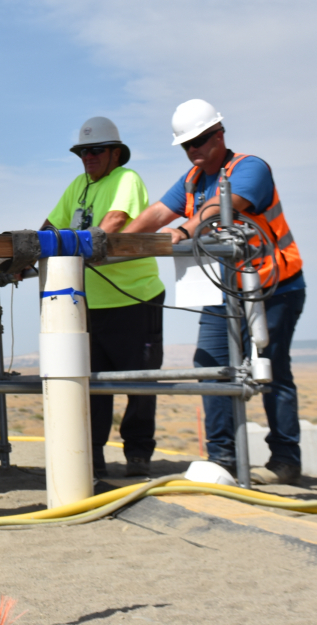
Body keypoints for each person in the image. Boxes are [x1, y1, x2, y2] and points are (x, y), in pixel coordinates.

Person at [126, 99, 305, 485]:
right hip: (226, 292)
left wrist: (186, 231)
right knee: (210, 365)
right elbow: (157, 213)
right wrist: (114, 244)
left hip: (273, 287)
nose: (195, 150)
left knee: (270, 370)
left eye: (202, 140)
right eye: (188, 145)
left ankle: (286, 459)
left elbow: (217, 211)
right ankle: (223, 459)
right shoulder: (192, 179)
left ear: (219, 134)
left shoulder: (250, 169)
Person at [45, 117, 166, 480]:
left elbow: (113, 222)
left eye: (95, 150)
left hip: (133, 298)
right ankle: (93, 455)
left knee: (138, 382)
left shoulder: (126, 180)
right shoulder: (77, 186)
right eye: (82, 151)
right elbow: (51, 226)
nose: (88, 157)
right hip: (89, 302)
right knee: (91, 383)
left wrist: (71, 248)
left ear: (116, 153)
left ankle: (138, 454)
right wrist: (23, 254)